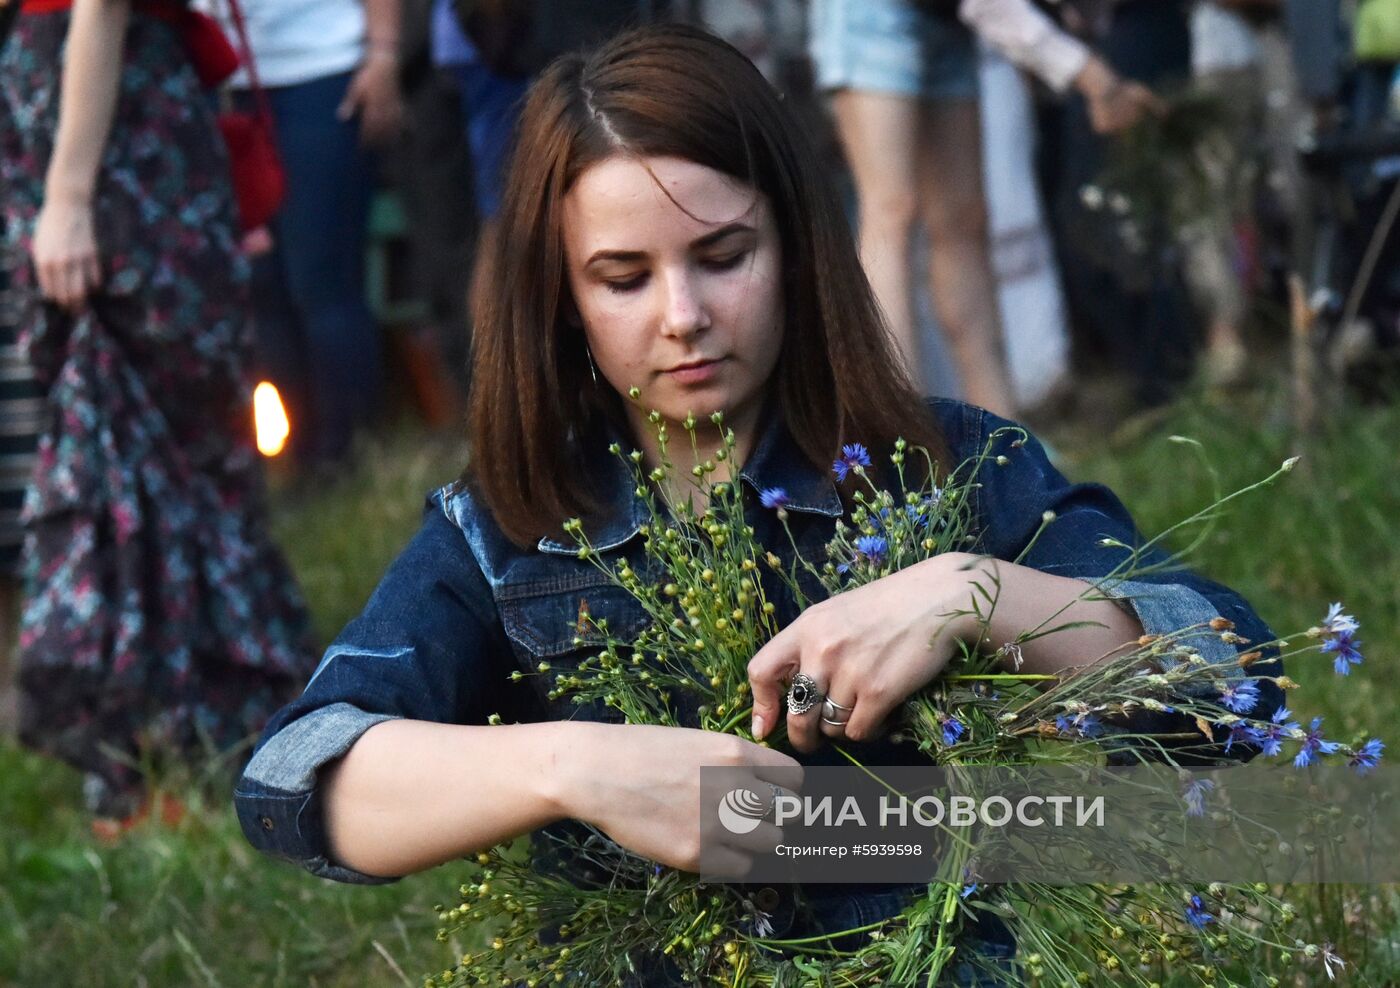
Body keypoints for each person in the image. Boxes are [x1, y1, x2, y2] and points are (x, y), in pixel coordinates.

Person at [235, 25, 1279, 984]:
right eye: (622, 277)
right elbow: (294, 781)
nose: (682, 317)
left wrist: (976, 593)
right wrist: (572, 766)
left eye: (722, 257)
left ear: (794, 247)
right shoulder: (510, 528)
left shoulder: (944, 465)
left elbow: (1234, 684)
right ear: (560, 297)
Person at [0, 0, 315, 817]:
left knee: (151, 436)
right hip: (96, 110)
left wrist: (67, 196)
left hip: (111, 133)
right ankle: (166, 746)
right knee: (140, 438)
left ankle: (174, 750)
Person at [807, 0, 1163, 417]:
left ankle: (1002, 433)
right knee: (892, 211)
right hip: (871, 13)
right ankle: (899, 433)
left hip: (946, 20)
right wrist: (1095, 78)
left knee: (964, 223)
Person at [214, 0, 405, 468]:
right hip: (217, 75)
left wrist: (383, 53)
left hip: (322, 67)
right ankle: (294, 459)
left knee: (322, 281)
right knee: (262, 286)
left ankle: (352, 456)